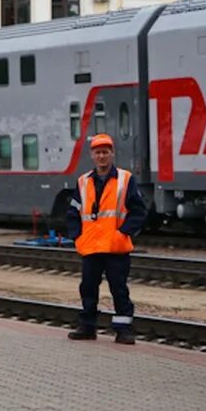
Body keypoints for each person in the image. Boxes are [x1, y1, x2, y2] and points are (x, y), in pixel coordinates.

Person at [65, 134, 147, 344]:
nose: (102, 156)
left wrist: (124, 232)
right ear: (92, 155)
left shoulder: (125, 179)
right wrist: (77, 237)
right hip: (91, 246)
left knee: (119, 289)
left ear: (112, 154)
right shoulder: (83, 182)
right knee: (88, 288)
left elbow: (138, 211)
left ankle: (124, 330)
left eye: (105, 152)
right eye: (98, 152)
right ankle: (88, 327)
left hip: (115, 246)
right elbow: (73, 212)